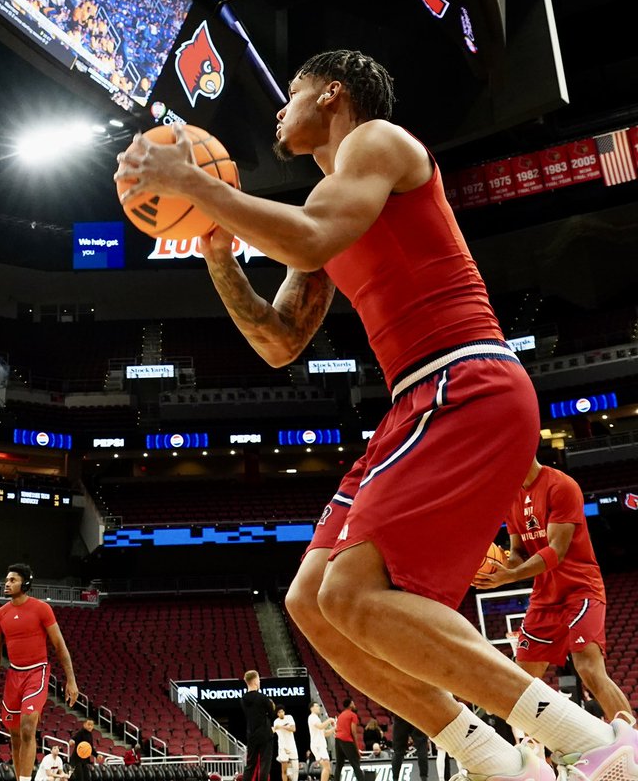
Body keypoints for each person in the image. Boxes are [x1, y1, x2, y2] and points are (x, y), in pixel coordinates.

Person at [115, 48, 638, 781]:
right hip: (416, 399)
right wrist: (220, 258)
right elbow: (279, 341)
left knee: (352, 593)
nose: (279, 111)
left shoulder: (377, 142)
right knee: (311, 602)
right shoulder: (332, 198)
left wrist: (193, 182)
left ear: (333, 94)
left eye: (291, 93)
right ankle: (497, 762)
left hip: (464, 379)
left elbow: (308, 235)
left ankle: (594, 742)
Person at [475, 458, 633, 722]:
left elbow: (556, 551)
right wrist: (498, 567)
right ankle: (542, 744)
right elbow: (518, 551)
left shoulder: (560, 486)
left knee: (589, 669)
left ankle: (633, 738)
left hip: (580, 589)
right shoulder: (511, 497)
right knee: (521, 680)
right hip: (545, 596)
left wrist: (510, 576)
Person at [0, 564, 79, 781]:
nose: (7, 584)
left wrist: (71, 680)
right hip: (14, 674)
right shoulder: (0, 614)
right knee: (15, 735)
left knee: (28, 727)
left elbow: (60, 646)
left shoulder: (42, 609)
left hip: (37, 672)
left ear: (25, 583)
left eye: (13, 580)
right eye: (6, 580)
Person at [240, 670, 276, 781]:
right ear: (255, 681)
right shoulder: (262, 697)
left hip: (251, 734)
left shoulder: (243, 699)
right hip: (265, 733)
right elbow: (272, 713)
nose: (259, 682)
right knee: (265, 763)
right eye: (259, 680)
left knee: (250, 764)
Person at [335, 698, 371, 781]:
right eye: (353, 703)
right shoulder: (352, 715)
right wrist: (356, 747)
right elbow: (353, 731)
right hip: (347, 740)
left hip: (338, 739)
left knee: (339, 764)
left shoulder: (340, 715)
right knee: (355, 764)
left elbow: (337, 728)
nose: (354, 705)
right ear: (350, 705)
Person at [390, 714, 429, 781]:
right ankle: (424, 778)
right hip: (416, 715)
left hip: (401, 714)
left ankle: (395, 779)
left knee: (398, 752)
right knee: (422, 747)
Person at [308, 701, 335, 781]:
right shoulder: (312, 717)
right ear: (312, 708)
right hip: (317, 745)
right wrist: (329, 720)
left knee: (327, 768)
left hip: (321, 745)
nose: (319, 708)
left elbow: (325, 733)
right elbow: (320, 726)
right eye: (317, 706)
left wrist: (334, 729)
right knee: (326, 767)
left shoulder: (317, 718)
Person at [275, 706, 300, 781]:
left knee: (295, 769)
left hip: (292, 746)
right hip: (283, 747)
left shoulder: (289, 717)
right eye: (279, 712)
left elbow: (293, 729)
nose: (281, 713)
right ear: (277, 714)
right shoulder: (276, 721)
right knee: (284, 770)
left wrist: (282, 727)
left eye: (282, 711)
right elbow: (275, 730)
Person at [69, 717, 97, 781]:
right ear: (84, 724)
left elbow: (90, 748)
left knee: (87, 778)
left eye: (92, 725)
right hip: (77, 760)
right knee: (80, 778)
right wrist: (72, 741)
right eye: (88, 724)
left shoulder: (90, 734)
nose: (90, 726)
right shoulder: (80, 732)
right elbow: (73, 738)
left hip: (85, 760)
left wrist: (97, 755)